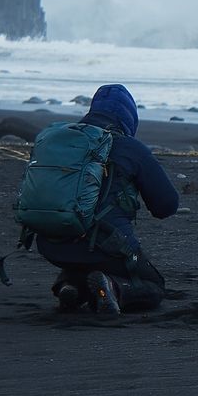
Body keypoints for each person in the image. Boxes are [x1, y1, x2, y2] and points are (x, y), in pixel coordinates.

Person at [37, 84, 179, 315]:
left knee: (82, 260)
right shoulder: (129, 147)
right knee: (153, 286)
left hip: (49, 241)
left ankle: (70, 287)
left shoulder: (61, 140)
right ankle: (113, 288)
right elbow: (166, 206)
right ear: (129, 116)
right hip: (104, 244)